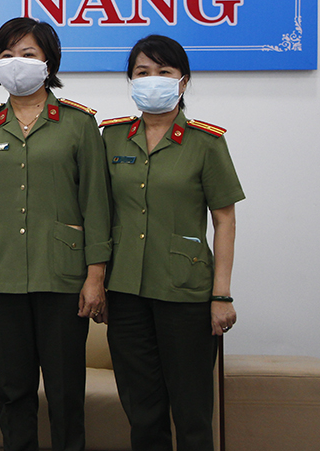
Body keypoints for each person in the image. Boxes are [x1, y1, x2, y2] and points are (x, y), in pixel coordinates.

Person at [0, 17, 110, 451]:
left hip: (64, 278)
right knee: (14, 392)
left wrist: (96, 275)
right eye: (6, 54)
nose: (16, 63)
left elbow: (96, 202)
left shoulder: (79, 125)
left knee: (65, 394)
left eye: (28, 54)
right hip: (1, 278)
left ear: (48, 62)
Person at [100, 34, 244, 451]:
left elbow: (225, 220)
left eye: (164, 72)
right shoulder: (110, 139)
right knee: (142, 413)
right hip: (125, 291)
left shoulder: (206, 142)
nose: (153, 80)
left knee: (192, 412)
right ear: (130, 80)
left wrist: (222, 294)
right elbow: (99, 212)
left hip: (186, 294)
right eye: (143, 72)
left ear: (183, 81)